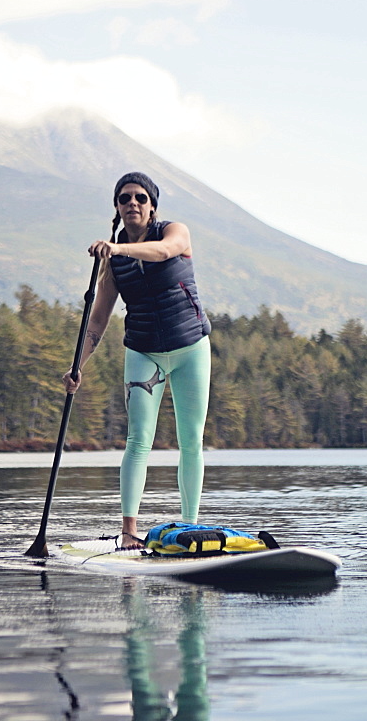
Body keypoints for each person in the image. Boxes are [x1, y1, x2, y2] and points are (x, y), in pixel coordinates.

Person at [63, 171, 211, 549]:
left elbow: (163, 252)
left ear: (152, 206)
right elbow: (97, 319)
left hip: (190, 348)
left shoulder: (175, 232)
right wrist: (78, 365)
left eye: (140, 198)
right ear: (117, 206)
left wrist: (117, 249)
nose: (133, 203)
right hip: (143, 351)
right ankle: (129, 532)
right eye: (125, 198)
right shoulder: (114, 263)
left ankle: (189, 526)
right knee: (137, 440)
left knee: (190, 440)